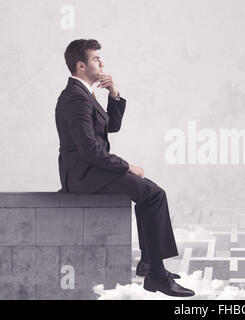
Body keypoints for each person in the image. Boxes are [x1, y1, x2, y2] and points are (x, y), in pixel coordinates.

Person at [55, 39, 195, 297]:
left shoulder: (83, 93)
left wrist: (114, 94)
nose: (102, 62)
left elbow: (111, 128)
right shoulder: (76, 97)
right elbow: (88, 148)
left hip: (92, 169)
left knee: (150, 193)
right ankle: (157, 276)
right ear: (81, 65)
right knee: (153, 195)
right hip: (84, 175)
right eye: (96, 59)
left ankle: (149, 262)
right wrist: (127, 166)